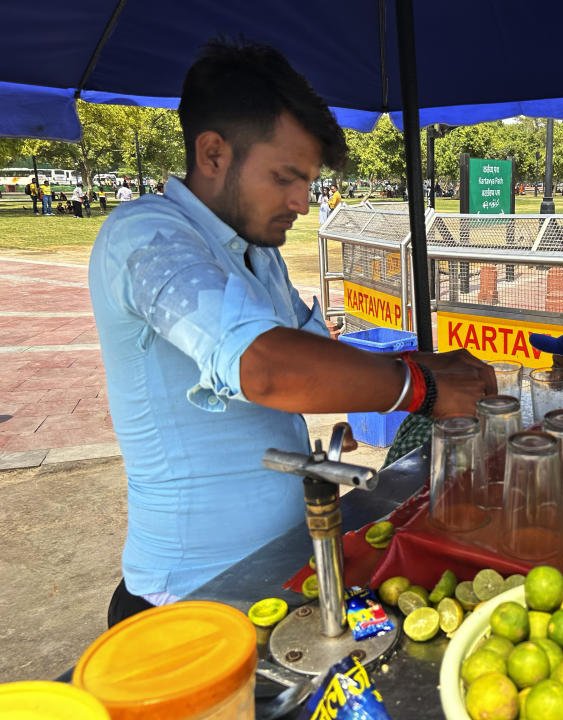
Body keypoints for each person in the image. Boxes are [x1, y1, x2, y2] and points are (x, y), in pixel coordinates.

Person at [88, 39, 494, 627]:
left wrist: (424, 363)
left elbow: (319, 356)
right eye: (285, 177)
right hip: (185, 605)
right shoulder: (146, 238)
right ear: (212, 155)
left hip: (277, 577)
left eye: (306, 181)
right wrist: (419, 388)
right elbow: (267, 367)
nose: (303, 202)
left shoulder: (255, 252)